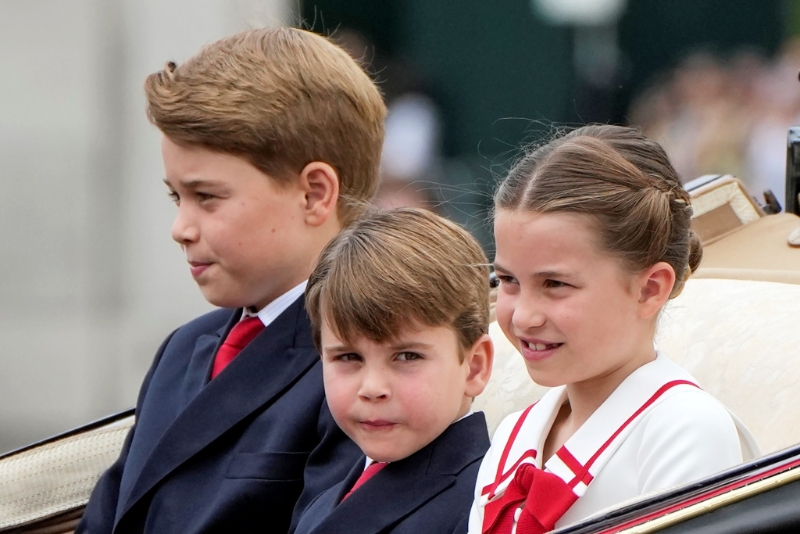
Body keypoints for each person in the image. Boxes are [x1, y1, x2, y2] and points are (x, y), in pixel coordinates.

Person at [77, 27, 386, 534]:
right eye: (177, 198)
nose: (181, 229)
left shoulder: (366, 365)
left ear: (313, 194)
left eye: (208, 197)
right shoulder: (185, 349)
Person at [469, 125, 759, 533]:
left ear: (650, 289)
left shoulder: (685, 431)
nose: (522, 317)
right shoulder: (514, 437)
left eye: (555, 284)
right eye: (508, 281)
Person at [294, 208, 494, 534]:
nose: (372, 387)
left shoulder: (484, 506)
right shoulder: (326, 491)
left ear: (474, 366)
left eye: (406, 356)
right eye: (348, 357)